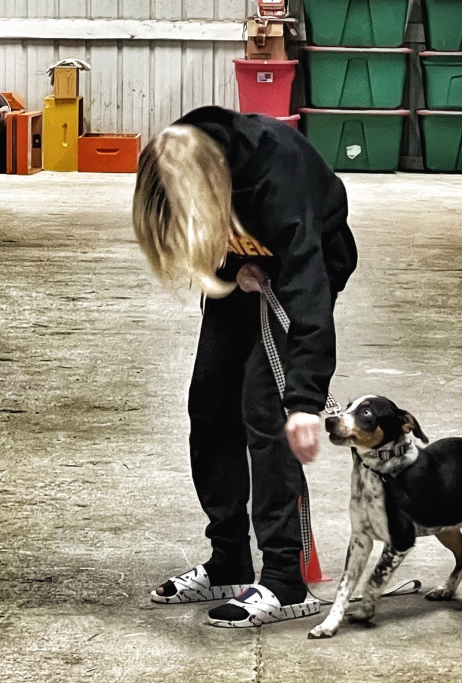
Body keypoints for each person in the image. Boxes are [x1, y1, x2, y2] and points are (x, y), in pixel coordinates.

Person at [132, 107, 357, 627]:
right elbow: (199, 233)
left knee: (266, 411)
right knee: (209, 403)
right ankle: (229, 561)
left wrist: (304, 402)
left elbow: (309, 287)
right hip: (244, 272)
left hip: (304, 269)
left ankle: (285, 580)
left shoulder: (275, 173)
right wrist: (233, 269)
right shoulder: (178, 159)